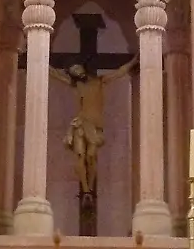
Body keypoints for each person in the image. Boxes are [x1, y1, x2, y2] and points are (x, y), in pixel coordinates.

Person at [51, 57, 138, 195]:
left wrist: (134, 60)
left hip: (95, 124)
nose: (77, 72)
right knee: (80, 155)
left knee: (91, 156)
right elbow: (56, 75)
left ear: (83, 67)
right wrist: (39, 60)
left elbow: (119, 72)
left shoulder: (99, 81)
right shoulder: (76, 85)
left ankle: (90, 188)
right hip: (80, 123)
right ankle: (86, 190)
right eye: (73, 71)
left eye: (77, 68)